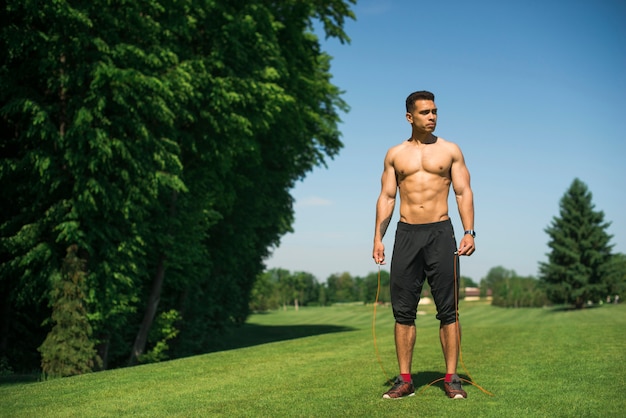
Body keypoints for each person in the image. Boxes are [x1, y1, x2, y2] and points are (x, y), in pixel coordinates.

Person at [372, 90, 475, 400]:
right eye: (425, 112)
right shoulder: (395, 154)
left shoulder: (450, 150)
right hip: (405, 234)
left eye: (434, 111)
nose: (432, 117)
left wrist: (469, 231)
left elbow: (463, 191)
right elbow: (387, 197)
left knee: (449, 311)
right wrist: (378, 237)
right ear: (409, 117)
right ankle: (405, 380)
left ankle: (452, 377)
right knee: (403, 312)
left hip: (441, 234)